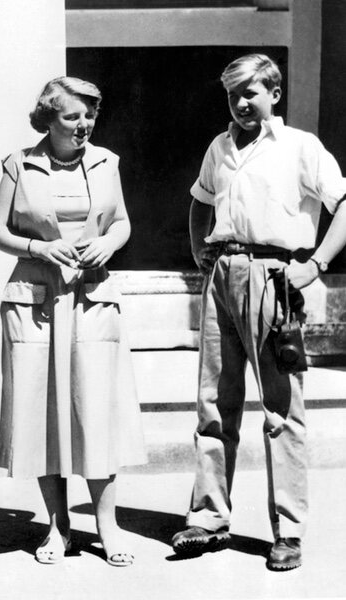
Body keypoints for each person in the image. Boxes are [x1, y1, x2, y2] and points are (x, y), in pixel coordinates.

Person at [171, 54, 346, 571]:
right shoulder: (220, 147)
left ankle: (288, 532)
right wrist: (199, 248)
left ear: (274, 93)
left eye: (251, 92)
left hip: (275, 277)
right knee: (213, 402)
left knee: (281, 409)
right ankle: (208, 518)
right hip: (222, 274)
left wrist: (315, 264)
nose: (242, 103)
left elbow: (343, 202)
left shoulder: (300, 147)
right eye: (232, 94)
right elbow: (201, 201)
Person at [0, 76, 146, 568]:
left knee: (95, 412)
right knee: (43, 413)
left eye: (90, 115)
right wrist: (41, 247)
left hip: (91, 297)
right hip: (36, 300)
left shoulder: (106, 162)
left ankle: (107, 526)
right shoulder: (19, 163)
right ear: (49, 116)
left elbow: (122, 221)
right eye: (73, 115)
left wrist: (109, 244)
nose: (84, 124)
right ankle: (57, 525)